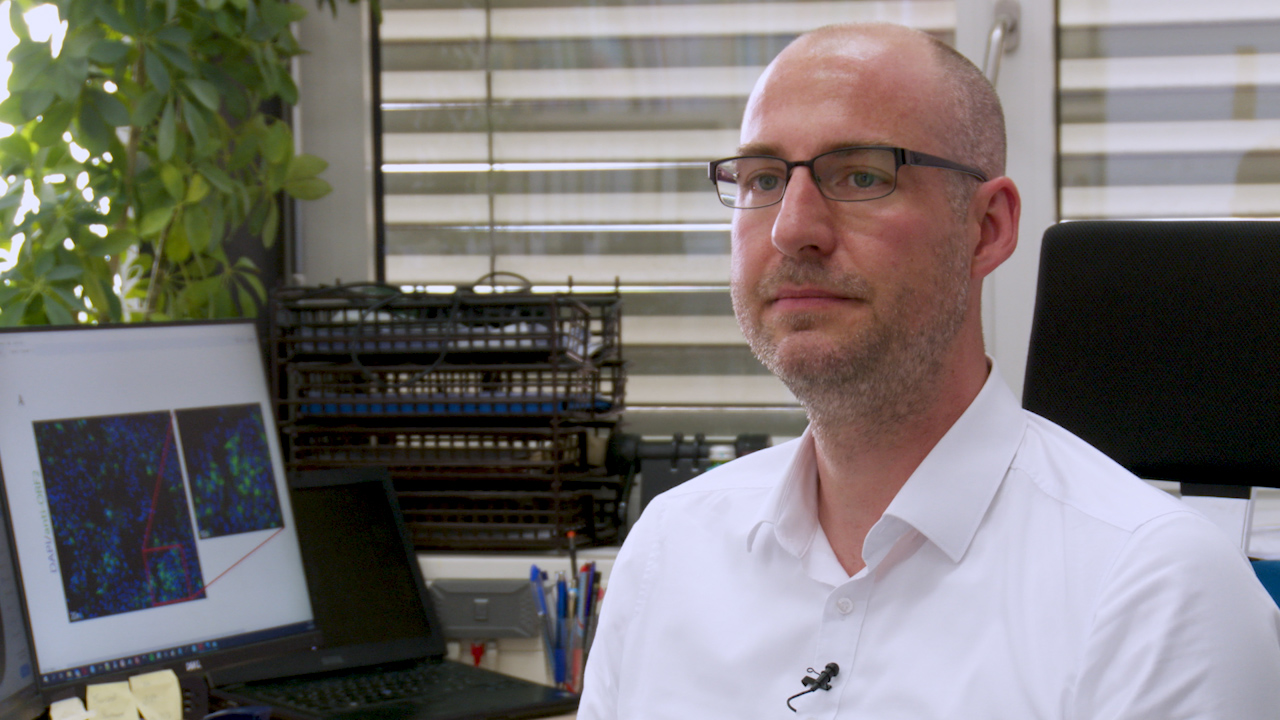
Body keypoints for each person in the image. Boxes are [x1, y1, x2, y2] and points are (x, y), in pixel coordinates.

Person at [578, 22, 1280, 719]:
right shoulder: (669, 550)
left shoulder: (1154, 591)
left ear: (987, 228)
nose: (792, 229)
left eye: (861, 175)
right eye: (764, 179)